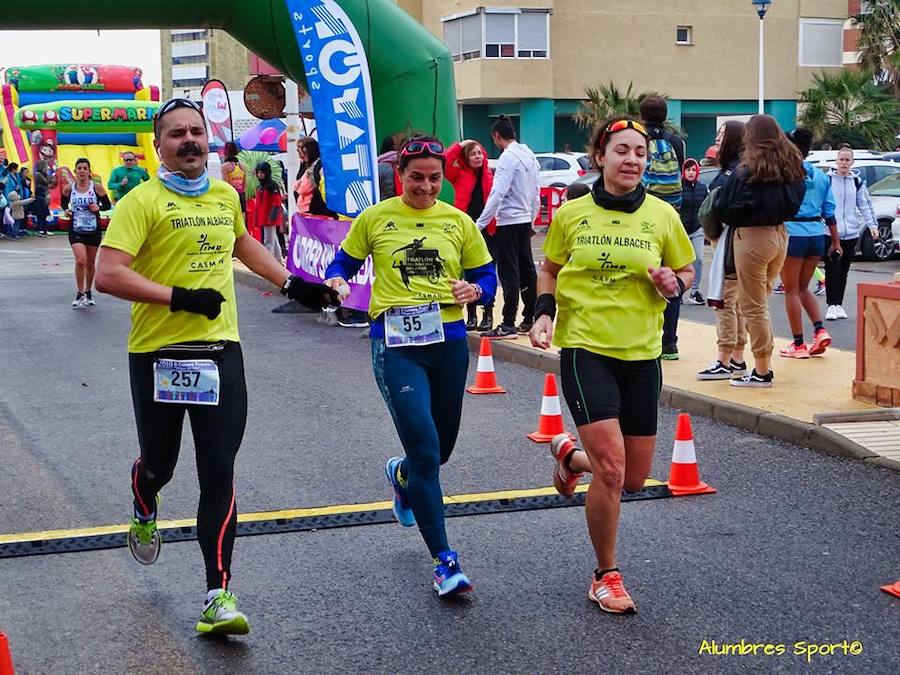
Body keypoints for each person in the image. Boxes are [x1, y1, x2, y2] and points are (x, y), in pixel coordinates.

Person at [95, 97, 338, 636]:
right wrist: (178, 297)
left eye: (196, 132)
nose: (189, 141)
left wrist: (294, 283)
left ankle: (217, 595)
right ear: (158, 145)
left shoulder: (226, 194)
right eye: (177, 133)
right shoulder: (142, 201)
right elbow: (107, 275)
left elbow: (244, 243)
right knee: (162, 463)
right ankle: (144, 493)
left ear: (208, 138)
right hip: (159, 354)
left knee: (218, 471)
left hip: (219, 352)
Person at [528, 116, 695, 613]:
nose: (632, 161)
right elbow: (550, 269)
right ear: (600, 156)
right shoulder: (572, 214)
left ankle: (568, 458)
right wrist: (542, 314)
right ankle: (605, 574)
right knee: (613, 469)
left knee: (633, 479)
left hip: (642, 352)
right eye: (622, 150)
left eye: (640, 153)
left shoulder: (663, 215)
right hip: (586, 349)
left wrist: (675, 284)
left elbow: (685, 268)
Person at [323, 135, 497, 597]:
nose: (425, 187)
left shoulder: (458, 222)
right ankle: (444, 561)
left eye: (434, 178)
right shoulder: (376, 218)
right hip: (397, 345)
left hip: (449, 342)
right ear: (400, 176)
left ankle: (401, 476)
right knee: (425, 450)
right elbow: (343, 261)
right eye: (416, 178)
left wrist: (476, 291)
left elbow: (486, 274)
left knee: (439, 452)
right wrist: (337, 279)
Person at [713, 115, 806, 388]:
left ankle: (762, 370)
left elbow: (726, 207)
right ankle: (759, 365)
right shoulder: (792, 167)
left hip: (752, 237)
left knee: (752, 307)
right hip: (780, 235)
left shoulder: (748, 170)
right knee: (760, 303)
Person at [476, 116, 540, 339]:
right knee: (528, 271)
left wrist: (480, 224)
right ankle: (529, 317)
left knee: (509, 272)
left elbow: (498, 193)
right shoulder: (530, 156)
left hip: (508, 222)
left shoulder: (507, 158)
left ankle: (508, 323)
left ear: (496, 136)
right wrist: (532, 221)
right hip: (524, 221)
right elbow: (536, 193)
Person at [697, 121, 749, 381]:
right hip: (737, 243)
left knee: (724, 300)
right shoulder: (743, 169)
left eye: (722, 136)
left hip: (728, 242)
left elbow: (721, 209)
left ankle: (724, 359)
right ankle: (737, 357)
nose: (717, 140)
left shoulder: (732, 173)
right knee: (736, 302)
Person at [779, 128, 837, 358]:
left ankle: (798, 344)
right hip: (816, 234)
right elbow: (830, 212)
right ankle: (820, 330)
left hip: (793, 232)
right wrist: (836, 242)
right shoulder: (820, 175)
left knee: (791, 290)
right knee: (803, 288)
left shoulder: (785, 174)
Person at [640, 96, 688, 361]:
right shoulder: (676, 141)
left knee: (645, 275)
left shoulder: (638, 136)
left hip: (645, 212)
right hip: (672, 213)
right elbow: (681, 172)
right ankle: (670, 341)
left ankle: (646, 336)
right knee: (672, 277)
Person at [444, 139, 496, 331]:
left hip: (487, 229)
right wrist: (461, 145)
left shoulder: (491, 176)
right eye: (473, 153)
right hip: (464, 228)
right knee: (467, 272)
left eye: (480, 153)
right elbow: (445, 161)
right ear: (466, 157)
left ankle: (488, 315)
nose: (477, 157)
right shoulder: (458, 174)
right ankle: (471, 315)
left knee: (486, 272)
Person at [824, 145, 878, 321]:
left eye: (847, 160)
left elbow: (864, 204)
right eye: (841, 159)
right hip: (831, 232)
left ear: (852, 162)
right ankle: (831, 304)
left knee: (844, 270)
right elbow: (820, 204)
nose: (844, 163)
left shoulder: (857, 182)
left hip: (851, 232)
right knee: (832, 268)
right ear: (836, 161)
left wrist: (872, 225)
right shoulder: (827, 180)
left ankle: (839, 304)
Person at [61, 158, 110, 307]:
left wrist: (98, 207)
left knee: (90, 263)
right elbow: (63, 202)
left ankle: (88, 291)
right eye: (79, 168)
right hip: (76, 228)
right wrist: (66, 210)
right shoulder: (69, 188)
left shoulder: (97, 188)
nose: (82, 171)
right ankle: (79, 292)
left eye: (85, 168)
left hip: (93, 228)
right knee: (80, 261)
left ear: (89, 171)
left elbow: (107, 204)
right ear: (75, 171)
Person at [679, 158, 709, 305]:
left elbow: (706, 208)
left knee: (698, 259)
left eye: (693, 170)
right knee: (679, 261)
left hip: (697, 229)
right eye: (688, 170)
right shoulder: (678, 187)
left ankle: (695, 291)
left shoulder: (702, 188)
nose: (690, 173)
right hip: (681, 229)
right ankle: (678, 291)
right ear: (683, 171)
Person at [252, 161, 284, 264]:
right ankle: (278, 261)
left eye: (262, 173)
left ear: (267, 173)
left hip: (269, 218)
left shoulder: (271, 186)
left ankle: (267, 263)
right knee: (273, 241)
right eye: (258, 172)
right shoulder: (262, 186)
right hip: (264, 217)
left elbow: (276, 202)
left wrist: (272, 218)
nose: (260, 175)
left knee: (268, 241)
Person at [220, 141, 247, 215]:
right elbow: (245, 183)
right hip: (241, 195)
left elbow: (225, 184)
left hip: (230, 195)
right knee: (242, 219)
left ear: (225, 152)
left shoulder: (225, 166)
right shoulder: (243, 165)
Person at [32, 160, 55, 236]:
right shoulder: (38, 174)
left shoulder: (44, 174)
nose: (47, 168)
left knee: (44, 214)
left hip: (45, 195)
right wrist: (50, 177)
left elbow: (51, 182)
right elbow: (46, 181)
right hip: (40, 196)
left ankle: (45, 230)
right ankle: (40, 230)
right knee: (40, 214)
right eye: (46, 166)